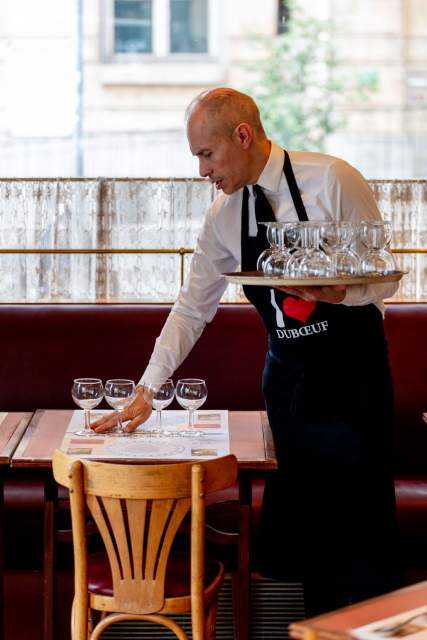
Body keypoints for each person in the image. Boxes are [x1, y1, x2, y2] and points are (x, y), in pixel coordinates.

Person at [92, 87, 401, 616]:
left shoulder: (332, 179)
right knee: (308, 543)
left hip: (354, 379)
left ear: (242, 135)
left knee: (363, 532)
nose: (201, 171)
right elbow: (192, 309)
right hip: (288, 385)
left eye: (205, 155)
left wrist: (342, 292)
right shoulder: (223, 217)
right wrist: (147, 389)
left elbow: (387, 279)